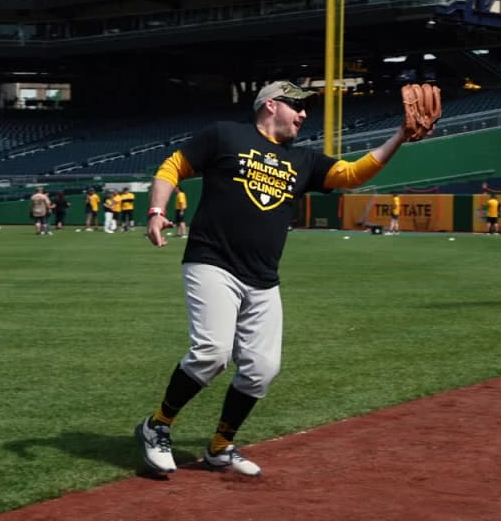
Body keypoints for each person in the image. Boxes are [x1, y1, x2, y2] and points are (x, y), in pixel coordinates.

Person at [136, 80, 425, 477]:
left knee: (261, 370)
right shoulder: (225, 135)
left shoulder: (303, 160)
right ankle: (157, 426)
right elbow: (173, 167)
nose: (305, 114)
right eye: (298, 105)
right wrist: (156, 211)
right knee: (212, 354)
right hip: (212, 262)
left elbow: (354, 173)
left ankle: (220, 447)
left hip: (263, 278)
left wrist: (400, 137)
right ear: (270, 105)